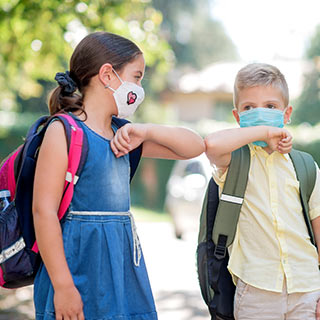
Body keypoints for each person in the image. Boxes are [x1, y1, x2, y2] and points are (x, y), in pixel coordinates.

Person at [32, 31, 205, 320]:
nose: (139, 87)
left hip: (122, 273)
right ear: (108, 75)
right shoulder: (62, 131)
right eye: (137, 77)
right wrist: (63, 287)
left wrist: (147, 130)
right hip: (75, 272)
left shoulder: (127, 136)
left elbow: (195, 146)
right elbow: (43, 212)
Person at [204, 63, 320, 320]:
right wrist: (266, 131)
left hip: (307, 286)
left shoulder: (303, 165)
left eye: (270, 106)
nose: (259, 112)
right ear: (237, 116)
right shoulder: (235, 160)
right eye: (249, 107)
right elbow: (211, 145)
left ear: (286, 113)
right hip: (256, 290)